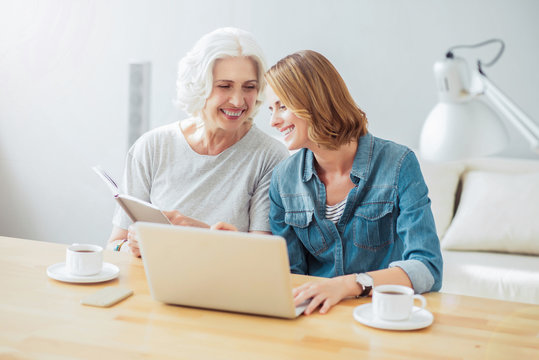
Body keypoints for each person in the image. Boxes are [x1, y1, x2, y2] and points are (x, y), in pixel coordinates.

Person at [264, 50, 443, 315]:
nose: (273, 121)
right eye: (271, 109)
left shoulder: (398, 164)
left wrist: (350, 284)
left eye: (283, 106)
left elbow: (428, 267)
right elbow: (291, 275)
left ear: (314, 101)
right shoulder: (283, 180)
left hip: (381, 313)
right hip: (317, 315)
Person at [107, 27, 289, 256]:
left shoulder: (270, 156)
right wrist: (131, 247)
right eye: (224, 86)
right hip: (153, 286)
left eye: (249, 87)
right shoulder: (152, 147)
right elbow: (113, 245)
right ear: (199, 85)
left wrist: (199, 235)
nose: (238, 100)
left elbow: (263, 258)